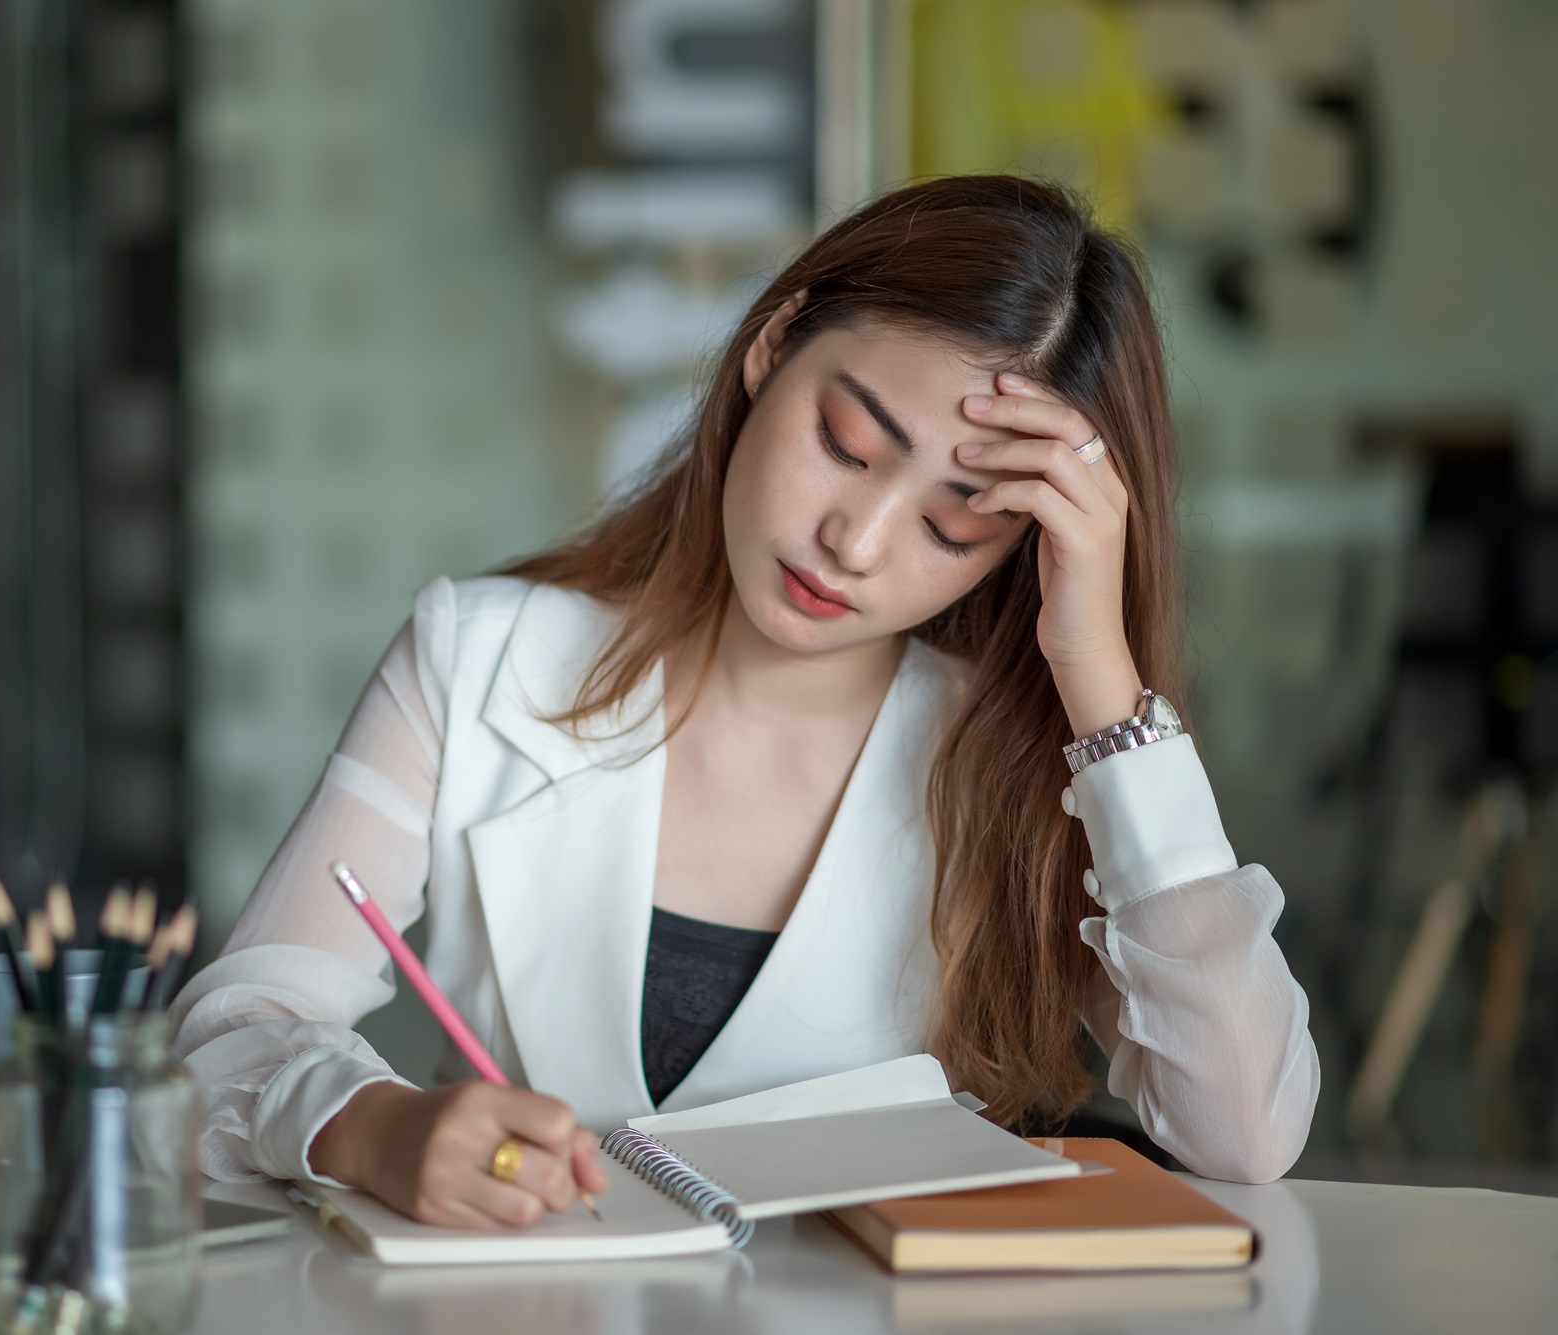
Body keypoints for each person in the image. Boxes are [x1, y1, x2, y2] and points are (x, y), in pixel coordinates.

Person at [170, 176, 1320, 1229]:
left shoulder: (1027, 762)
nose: (854, 543)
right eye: (845, 442)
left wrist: (1098, 682)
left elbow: (1240, 1134)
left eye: (951, 527)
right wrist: (364, 1126)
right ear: (771, 346)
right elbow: (233, 1029)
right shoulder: (474, 659)